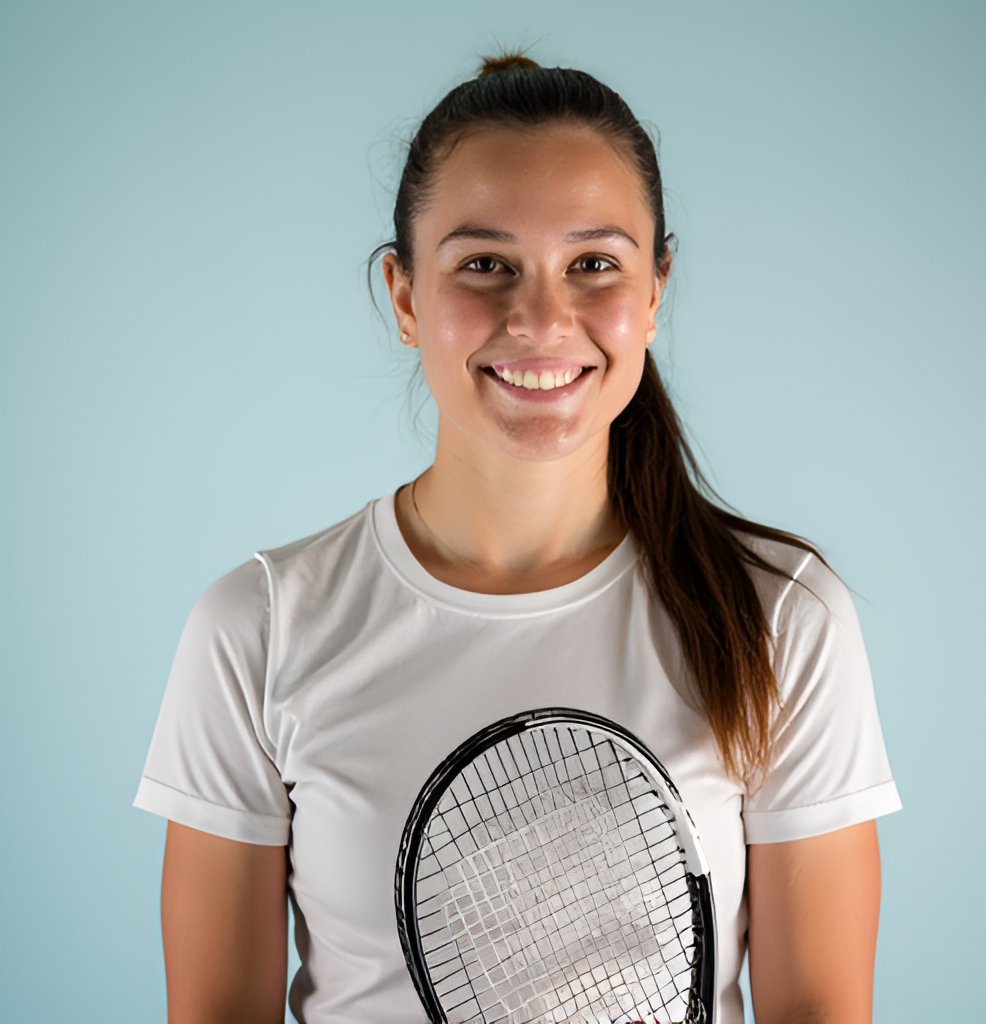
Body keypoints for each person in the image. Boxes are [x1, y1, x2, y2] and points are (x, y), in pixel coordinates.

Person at [135, 54, 901, 1024]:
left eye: (593, 264)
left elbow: (821, 1008)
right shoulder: (258, 626)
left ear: (656, 289)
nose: (541, 317)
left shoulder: (779, 617)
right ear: (405, 296)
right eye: (485, 265)